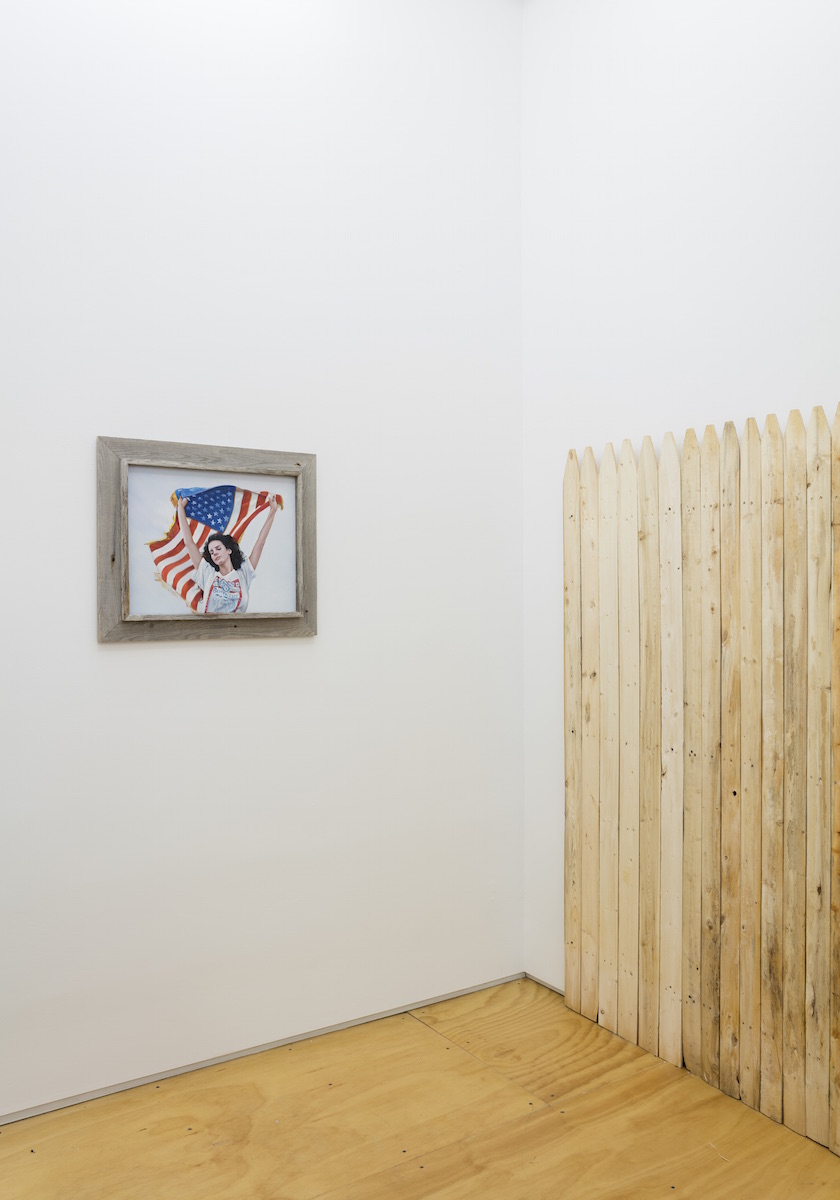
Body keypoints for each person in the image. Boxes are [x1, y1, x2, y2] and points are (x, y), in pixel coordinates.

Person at [177, 494, 278, 614]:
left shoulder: (244, 572)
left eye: (218, 548)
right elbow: (189, 543)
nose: (215, 553)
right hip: (210, 625)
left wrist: (273, 510)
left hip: (237, 625)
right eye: (211, 552)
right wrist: (180, 508)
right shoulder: (207, 572)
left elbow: (260, 543)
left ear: (229, 550)